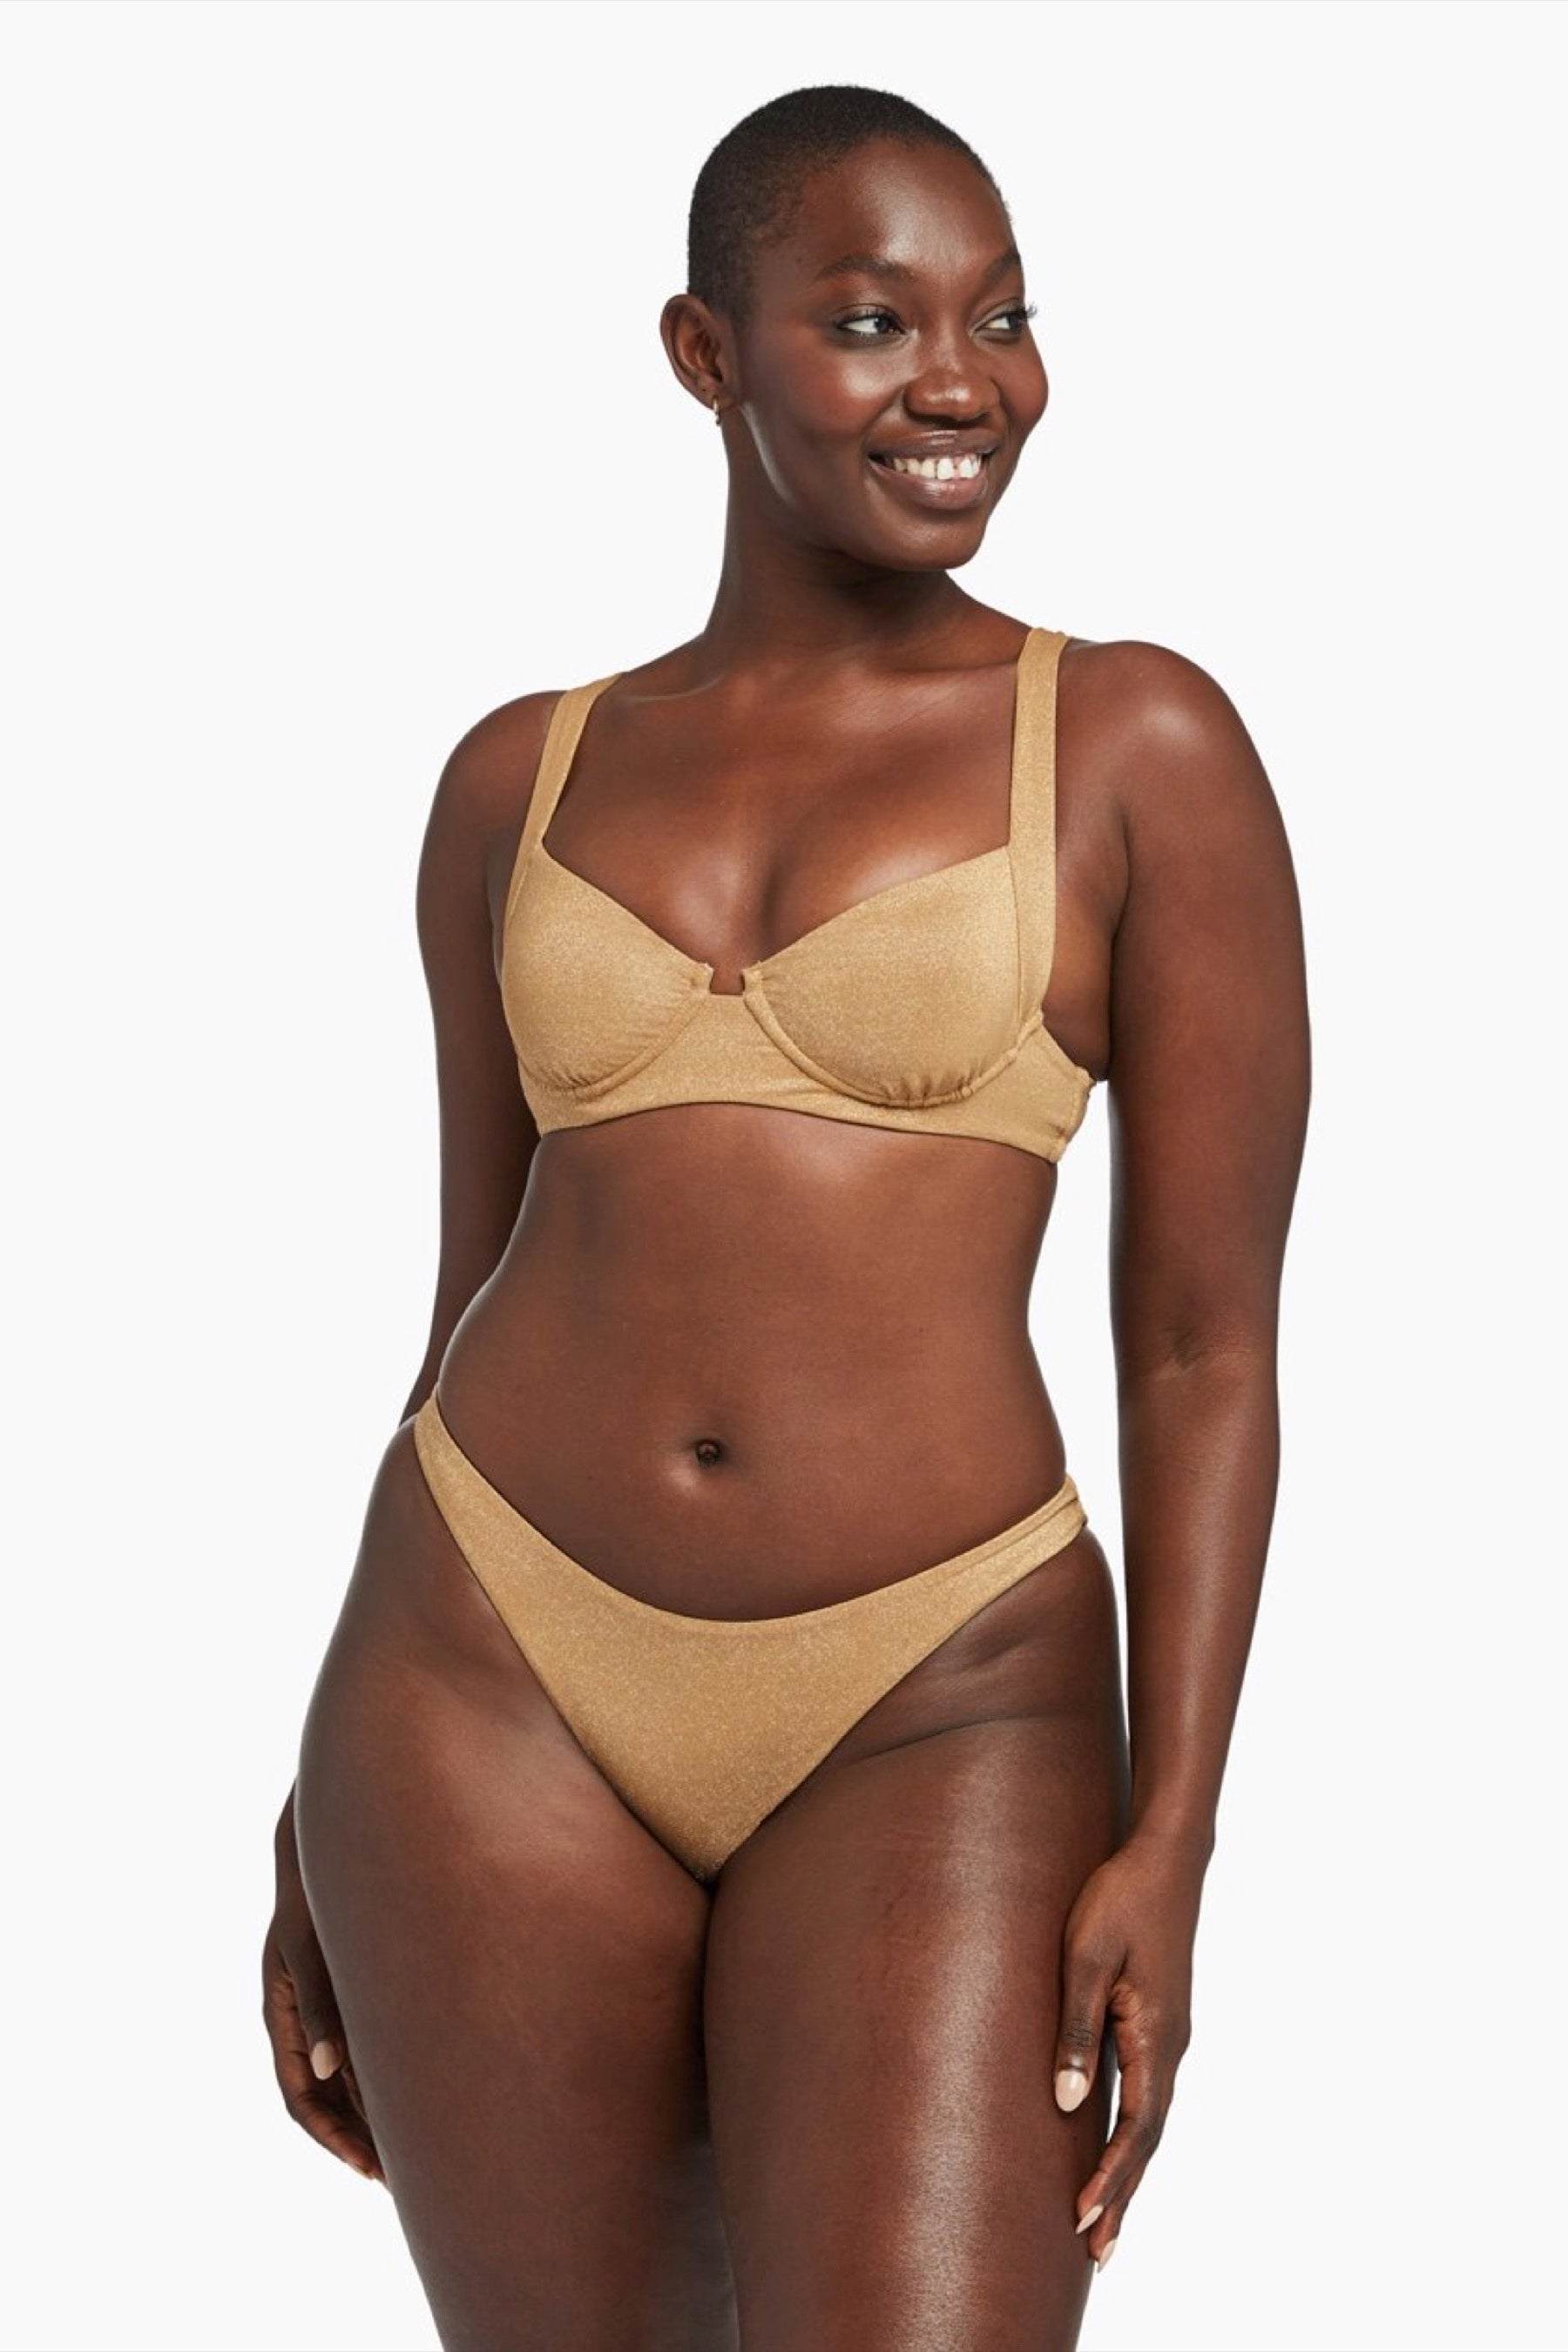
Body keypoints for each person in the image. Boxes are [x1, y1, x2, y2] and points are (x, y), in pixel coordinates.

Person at [261, 82, 1310, 2352]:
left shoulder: (1135, 748)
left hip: (940, 1692)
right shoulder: (516, 776)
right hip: (481, 1673)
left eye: (1003, 317)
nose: (964, 383)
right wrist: (310, 1801)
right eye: (872, 321)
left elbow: (1204, 1345)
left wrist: (1178, 1832)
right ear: (705, 352)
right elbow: (469, 1286)